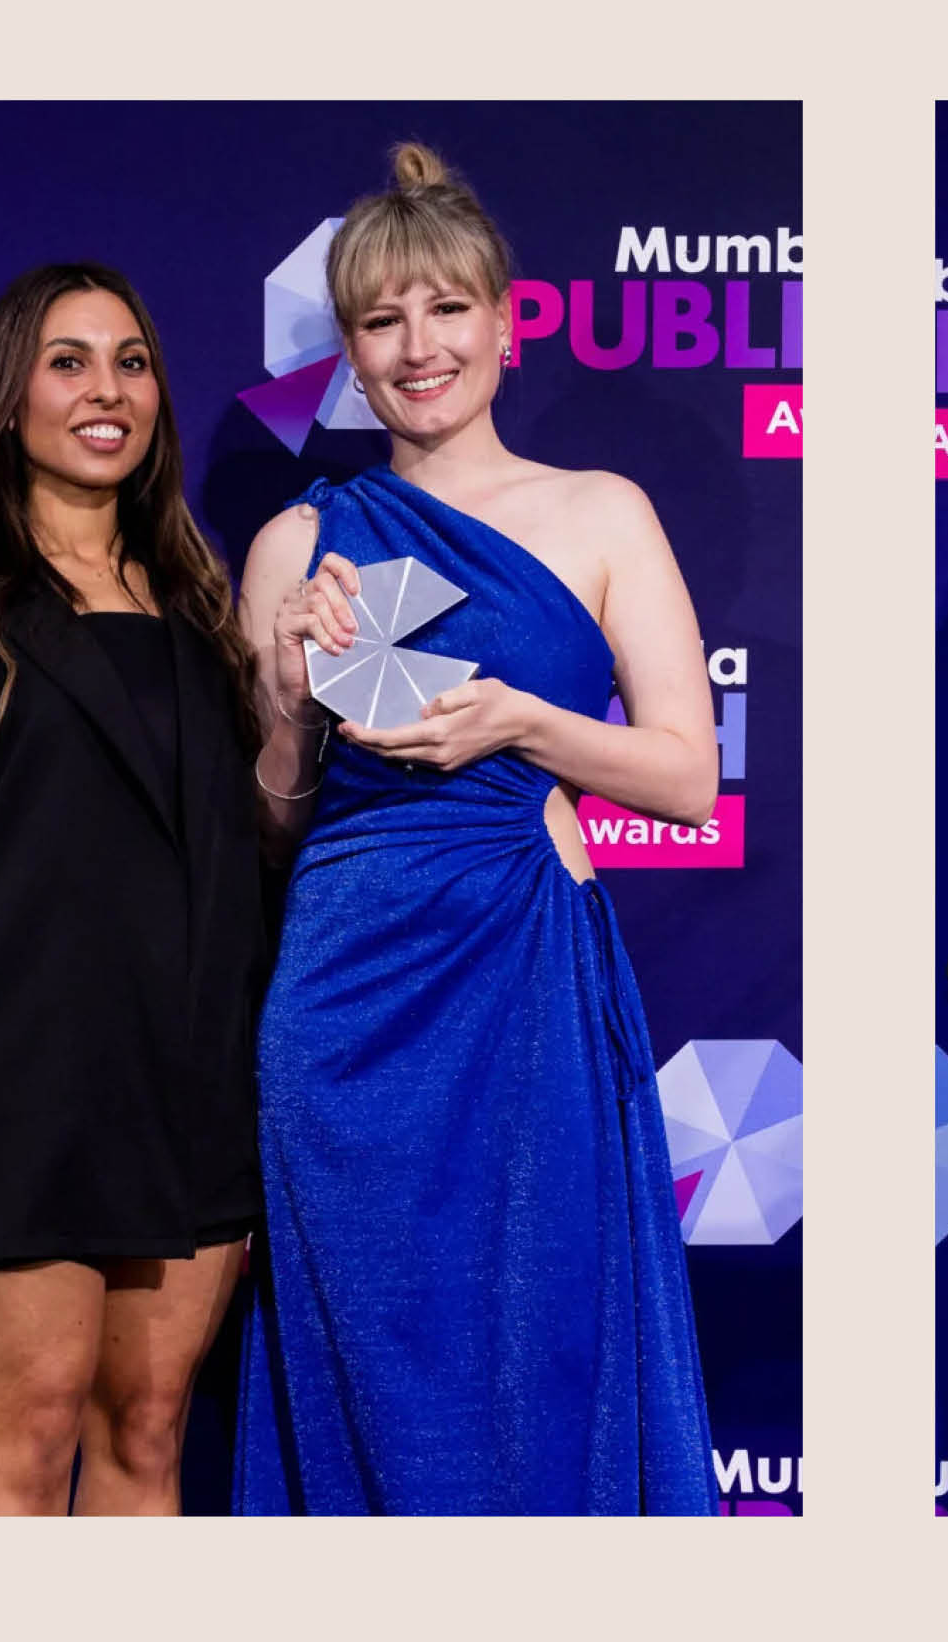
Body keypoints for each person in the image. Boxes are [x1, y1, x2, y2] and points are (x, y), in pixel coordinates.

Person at [231, 142, 718, 1514]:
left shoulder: (599, 509)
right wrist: (283, 696)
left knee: (540, 1348)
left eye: (446, 309)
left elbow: (685, 775)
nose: (418, 346)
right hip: (340, 1001)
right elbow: (273, 824)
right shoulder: (300, 539)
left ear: (507, 321)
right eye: (381, 321)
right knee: (366, 1359)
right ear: (350, 350)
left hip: (521, 979)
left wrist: (521, 725)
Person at [0, 263, 268, 1515]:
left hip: (192, 1086)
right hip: (18, 1094)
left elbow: (251, 852)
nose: (108, 390)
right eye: (69, 360)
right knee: (26, 1439)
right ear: (10, 397)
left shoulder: (206, 611)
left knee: (145, 1431)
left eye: (131, 361)